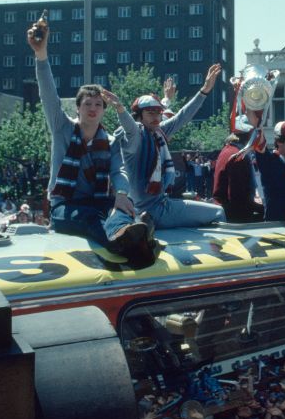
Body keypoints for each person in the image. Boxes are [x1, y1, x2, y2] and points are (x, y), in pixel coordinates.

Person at [26, 20, 153, 264]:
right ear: (78, 107)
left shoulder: (112, 141)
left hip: (97, 202)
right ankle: (126, 242)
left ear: (104, 110)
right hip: (64, 207)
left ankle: (133, 233)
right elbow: (48, 93)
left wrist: (123, 193)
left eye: (98, 105)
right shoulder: (62, 127)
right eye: (88, 104)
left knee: (122, 210)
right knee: (91, 218)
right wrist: (40, 55)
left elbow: (119, 171)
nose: (93, 109)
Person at [105, 65, 225, 230]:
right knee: (218, 212)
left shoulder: (157, 133)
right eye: (151, 114)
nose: (156, 118)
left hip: (156, 206)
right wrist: (120, 109)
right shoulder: (135, 136)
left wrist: (204, 90)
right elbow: (130, 127)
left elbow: (182, 116)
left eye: (158, 114)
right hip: (154, 209)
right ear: (139, 117)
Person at [212, 128, 265, 223]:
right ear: (250, 135)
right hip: (235, 218)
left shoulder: (226, 150)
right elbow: (237, 197)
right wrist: (263, 210)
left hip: (223, 213)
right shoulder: (239, 157)